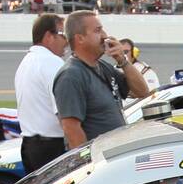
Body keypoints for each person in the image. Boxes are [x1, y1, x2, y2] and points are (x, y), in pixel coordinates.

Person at [53, 11, 150, 149]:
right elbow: (71, 129)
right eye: (98, 30)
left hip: (115, 157)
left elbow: (142, 91)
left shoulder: (103, 66)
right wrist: (89, 166)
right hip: (100, 163)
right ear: (80, 38)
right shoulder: (71, 76)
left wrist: (122, 60)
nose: (105, 36)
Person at [14, 12, 68, 172]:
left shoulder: (26, 62)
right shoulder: (52, 62)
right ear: (48, 36)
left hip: (30, 145)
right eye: (62, 34)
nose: (66, 41)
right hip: (51, 147)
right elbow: (64, 114)